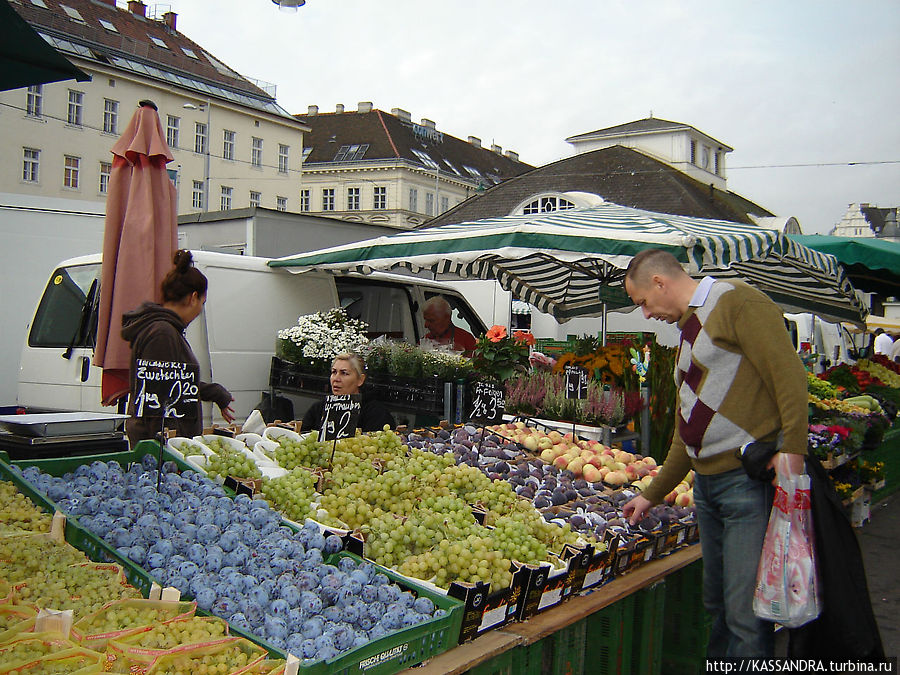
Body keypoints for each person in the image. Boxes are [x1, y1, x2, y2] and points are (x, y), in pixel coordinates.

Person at [620, 249, 807, 658]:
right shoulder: (687, 332)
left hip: (745, 482)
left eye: (643, 304)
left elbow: (788, 374)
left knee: (744, 615)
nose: (647, 315)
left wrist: (793, 448)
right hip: (707, 487)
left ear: (660, 283)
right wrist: (654, 493)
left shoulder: (737, 302)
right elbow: (687, 430)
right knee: (719, 606)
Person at [121, 250, 235, 445]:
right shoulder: (162, 334)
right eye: (202, 302)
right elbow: (158, 398)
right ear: (193, 298)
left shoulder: (165, 331)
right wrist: (170, 447)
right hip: (160, 449)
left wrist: (216, 393)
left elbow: (175, 384)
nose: (200, 309)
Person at [302, 353, 394, 433]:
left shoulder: (376, 413)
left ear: (360, 380)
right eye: (334, 372)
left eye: (344, 373)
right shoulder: (318, 409)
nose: (336, 379)